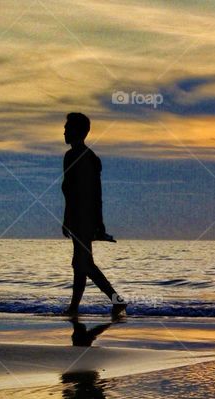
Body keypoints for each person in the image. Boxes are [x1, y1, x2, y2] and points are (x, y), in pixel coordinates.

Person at [61, 112, 126, 316]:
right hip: (79, 218)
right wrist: (67, 219)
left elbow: (93, 193)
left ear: (78, 131)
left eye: (67, 128)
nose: (64, 131)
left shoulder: (82, 157)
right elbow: (71, 193)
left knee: (84, 264)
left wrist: (98, 223)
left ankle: (117, 300)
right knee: (80, 264)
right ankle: (74, 308)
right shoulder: (76, 156)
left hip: (83, 218)